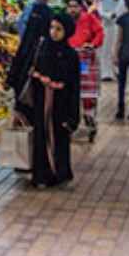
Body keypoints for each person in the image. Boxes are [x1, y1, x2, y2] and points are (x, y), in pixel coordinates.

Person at [23, 12, 81, 188]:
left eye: (58, 29)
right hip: (42, 102)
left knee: (59, 136)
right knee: (41, 136)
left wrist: (72, 114)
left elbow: (74, 85)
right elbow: (31, 71)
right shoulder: (42, 49)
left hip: (61, 105)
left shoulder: (71, 55)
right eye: (52, 28)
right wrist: (41, 78)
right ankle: (41, 175)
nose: (53, 32)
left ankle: (59, 173)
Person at [67, 0, 103, 132]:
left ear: (80, 7)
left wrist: (92, 44)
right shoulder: (64, 21)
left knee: (86, 91)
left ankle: (89, 115)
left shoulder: (88, 18)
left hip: (84, 60)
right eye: (70, 6)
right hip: (67, 60)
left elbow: (99, 32)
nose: (72, 9)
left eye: (75, 6)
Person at [100, 0, 122, 81]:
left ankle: (116, 71)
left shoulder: (121, 2)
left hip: (117, 28)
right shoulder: (103, 2)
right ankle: (106, 73)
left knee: (116, 50)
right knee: (105, 51)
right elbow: (101, 12)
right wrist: (109, 15)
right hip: (106, 28)